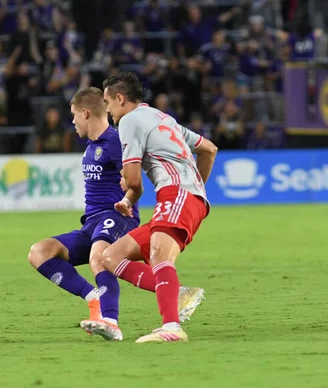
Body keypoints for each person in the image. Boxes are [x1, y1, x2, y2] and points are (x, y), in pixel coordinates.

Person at [28, 87, 204, 342]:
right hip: (91, 223)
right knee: (39, 252)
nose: (73, 121)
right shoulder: (91, 146)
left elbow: (135, 181)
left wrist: (126, 198)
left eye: (74, 115)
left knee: (99, 255)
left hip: (117, 217)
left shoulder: (114, 142)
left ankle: (110, 320)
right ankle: (96, 298)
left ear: (85, 113)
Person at [82, 72, 218, 343]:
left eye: (108, 103)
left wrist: (181, 190)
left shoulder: (130, 121)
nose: (107, 111)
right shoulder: (162, 118)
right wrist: (195, 189)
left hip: (176, 194)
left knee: (159, 255)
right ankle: (177, 294)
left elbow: (133, 180)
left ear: (120, 98)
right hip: (181, 196)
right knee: (109, 258)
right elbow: (209, 149)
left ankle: (172, 326)